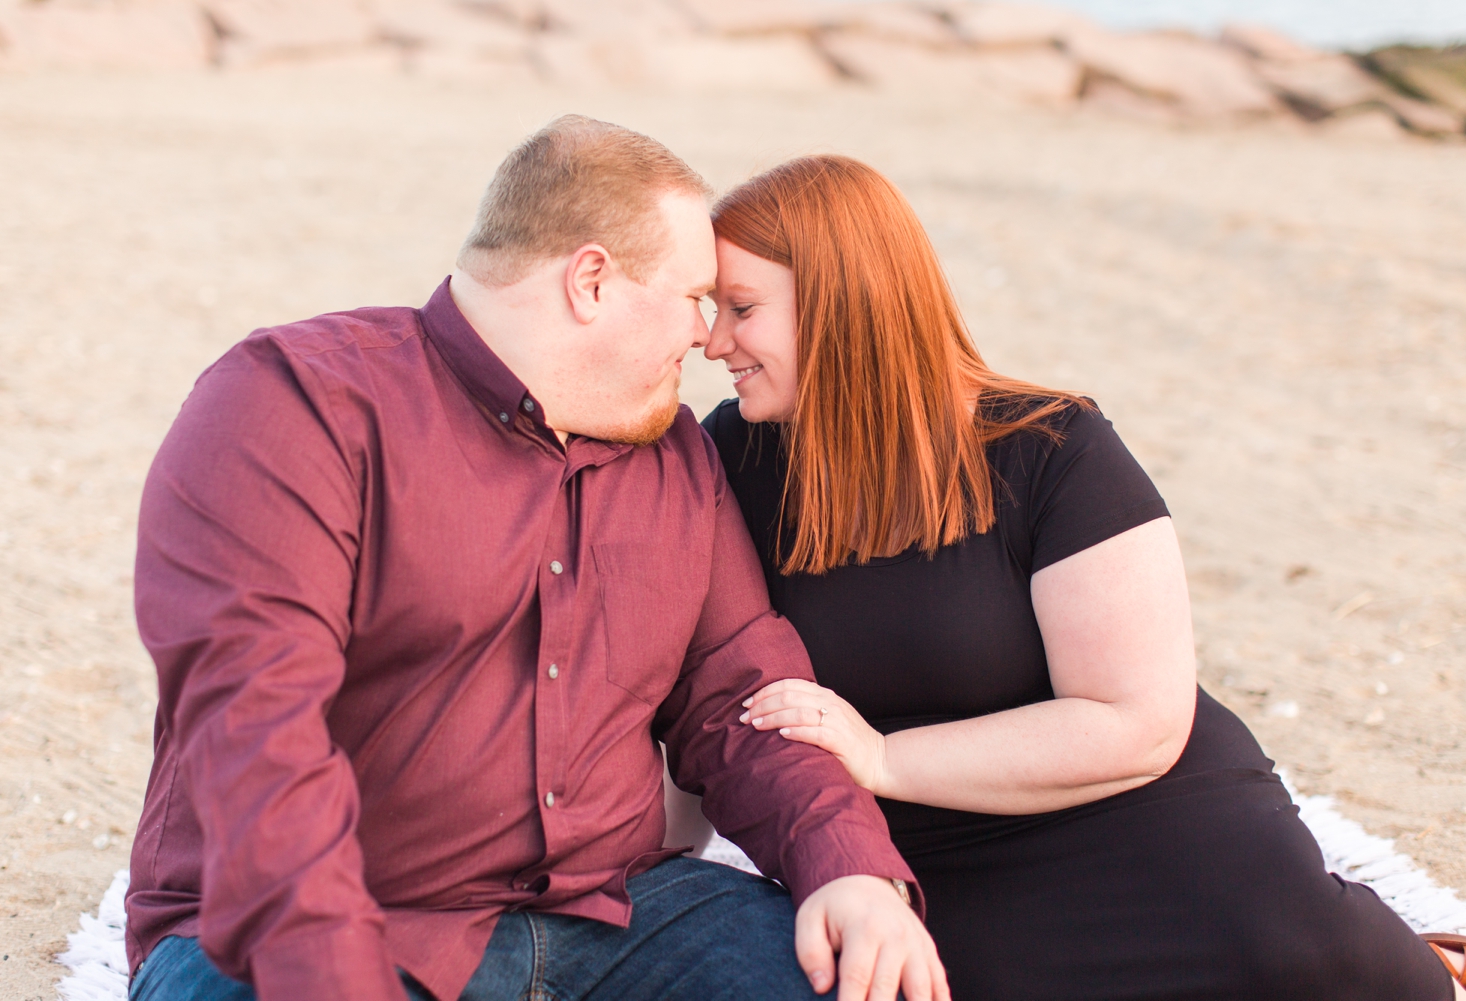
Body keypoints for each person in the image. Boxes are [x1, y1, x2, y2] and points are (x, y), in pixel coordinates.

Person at [123, 118, 948, 1001]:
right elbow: (256, 735)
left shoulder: (675, 455)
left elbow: (740, 696)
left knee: (861, 980)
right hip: (337, 915)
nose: (708, 339)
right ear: (591, 280)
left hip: (621, 916)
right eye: (694, 297)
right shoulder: (297, 405)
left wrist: (850, 869)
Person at [698, 154, 1464, 1001]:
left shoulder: (1052, 445)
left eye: (741, 309)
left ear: (842, 301)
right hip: (935, 858)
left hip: (1135, 801)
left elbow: (1137, 722)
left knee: (1311, 965)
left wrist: (880, 756)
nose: (712, 340)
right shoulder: (730, 457)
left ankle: (1431, 956)